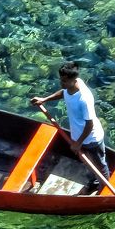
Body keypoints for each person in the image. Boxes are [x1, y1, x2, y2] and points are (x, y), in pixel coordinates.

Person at [30, 61, 108, 193]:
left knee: (100, 166)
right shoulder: (69, 87)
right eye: (61, 80)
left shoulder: (84, 98)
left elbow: (90, 124)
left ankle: (104, 190)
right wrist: (45, 99)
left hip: (91, 139)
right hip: (78, 137)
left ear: (74, 79)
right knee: (87, 162)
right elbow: (63, 92)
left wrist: (78, 143)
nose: (62, 83)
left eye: (65, 81)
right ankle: (95, 181)